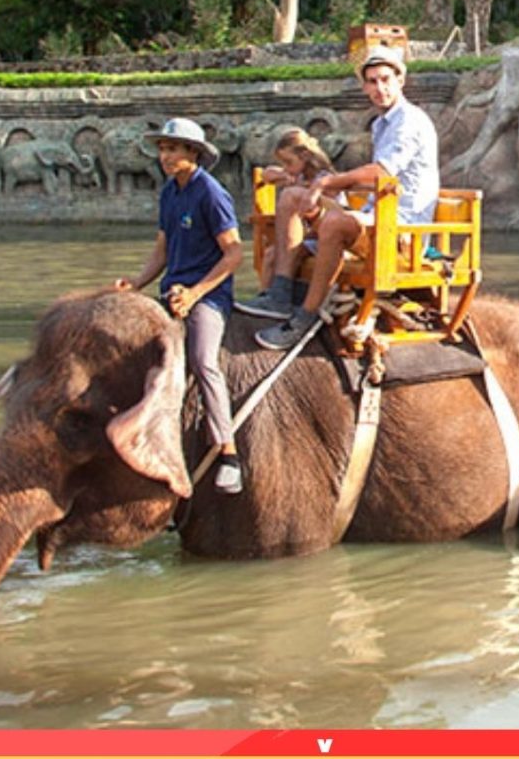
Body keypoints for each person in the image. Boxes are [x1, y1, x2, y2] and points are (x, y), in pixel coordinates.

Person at [236, 45, 439, 351]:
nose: (379, 88)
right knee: (292, 196)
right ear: (364, 86)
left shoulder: (409, 120)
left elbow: (382, 173)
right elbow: (365, 183)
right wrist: (305, 183)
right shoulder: (383, 124)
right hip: (375, 216)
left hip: (401, 231)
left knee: (334, 221)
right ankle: (279, 294)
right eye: (372, 81)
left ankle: (305, 316)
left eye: (385, 79)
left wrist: (328, 182)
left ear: (401, 80)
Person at [114, 117, 245, 494]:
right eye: (162, 149)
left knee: (204, 361)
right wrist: (137, 283)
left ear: (194, 153)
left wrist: (195, 293)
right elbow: (162, 248)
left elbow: (234, 253)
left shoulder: (211, 193)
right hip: (172, 290)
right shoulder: (170, 192)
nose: (165, 156)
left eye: (173, 149)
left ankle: (229, 453)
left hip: (208, 296)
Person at [256, 127, 337, 290]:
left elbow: (329, 211)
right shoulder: (298, 176)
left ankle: (276, 296)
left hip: (322, 239)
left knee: (276, 254)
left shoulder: (324, 180)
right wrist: (284, 175)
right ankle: (266, 295)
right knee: (271, 253)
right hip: (306, 237)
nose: (285, 167)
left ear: (305, 157)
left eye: (288, 162)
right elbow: (266, 174)